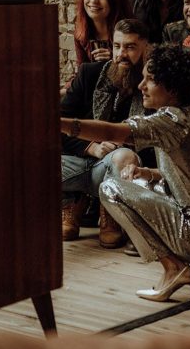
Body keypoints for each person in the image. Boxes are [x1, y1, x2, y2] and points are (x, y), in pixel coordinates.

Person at [60, 46, 190, 302]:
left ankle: (174, 270)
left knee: (110, 188)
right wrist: (148, 172)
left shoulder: (168, 122)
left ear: (172, 88)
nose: (141, 86)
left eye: (151, 80)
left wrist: (59, 122)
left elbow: (112, 132)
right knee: (141, 183)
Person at [60, 19, 152, 248]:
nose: (122, 54)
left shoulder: (153, 82)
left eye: (130, 47)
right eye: (117, 46)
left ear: (145, 48)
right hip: (78, 162)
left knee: (124, 157)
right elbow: (56, 125)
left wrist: (122, 147)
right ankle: (72, 201)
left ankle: (111, 211)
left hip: (115, 169)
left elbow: (155, 139)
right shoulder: (89, 74)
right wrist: (89, 147)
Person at [72, 0, 132, 68]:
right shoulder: (81, 34)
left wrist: (115, 61)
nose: (94, 0)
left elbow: (137, 74)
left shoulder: (130, 34)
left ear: (115, 2)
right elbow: (81, 71)